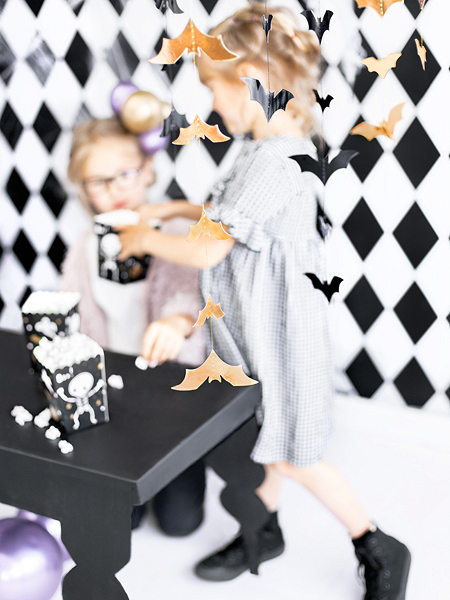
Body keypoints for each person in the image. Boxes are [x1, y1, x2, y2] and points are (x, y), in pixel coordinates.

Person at [116, 5, 411, 598]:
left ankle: (376, 544)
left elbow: (208, 249)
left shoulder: (280, 156)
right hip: (256, 331)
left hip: (282, 336)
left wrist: (142, 238)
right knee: (266, 439)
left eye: (214, 88)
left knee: (295, 453)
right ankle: (263, 528)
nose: (212, 104)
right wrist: (172, 210)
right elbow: (226, 218)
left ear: (249, 77)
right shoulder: (260, 148)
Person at [62, 116, 206, 536]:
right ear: (83, 189)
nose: (114, 190)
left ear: (147, 170)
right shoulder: (84, 247)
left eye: (125, 174)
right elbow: (72, 314)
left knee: (180, 522)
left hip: (168, 398)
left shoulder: (176, 234)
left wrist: (177, 323)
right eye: (97, 182)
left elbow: (189, 297)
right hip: (112, 396)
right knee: (121, 518)